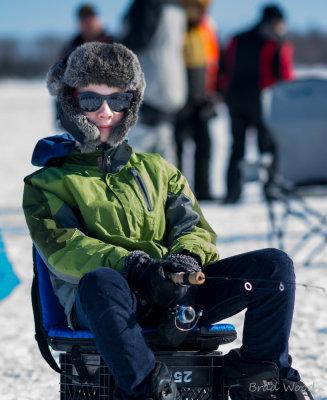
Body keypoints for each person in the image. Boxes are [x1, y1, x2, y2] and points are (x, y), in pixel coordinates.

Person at [23, 42, 313, 400]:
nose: (104, 111)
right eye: (90, 100)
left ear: (131, 104)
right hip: (106, 304)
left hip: (173, 293)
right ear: (70, 100)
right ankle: (149, 390)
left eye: (118, 100)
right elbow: (65, 249)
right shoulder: (45, 184)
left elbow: (194, 229)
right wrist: (135, 267)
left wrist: (185, 263)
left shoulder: (158, 170)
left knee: (273, 267)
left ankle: (260, 378)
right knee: (101, 281)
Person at [219, 4, 294, 204]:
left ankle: (232, 193)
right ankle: (271, 190)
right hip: (262, 101)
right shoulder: (276, 41)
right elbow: (284, 75)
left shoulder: (237, 38)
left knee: (237, 147)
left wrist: (224, 92)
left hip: (235, 99)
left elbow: (224, 67)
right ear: (277, 21)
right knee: (268, 147)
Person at [119, 0, 187, 165]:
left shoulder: (147, 5)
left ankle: (142, 185)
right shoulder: (178, 7)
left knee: (141, 144)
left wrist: (117, 46)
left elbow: (139, 39)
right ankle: (166, 184)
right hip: (173, 82)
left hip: (150, 82)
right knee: (164, 140)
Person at [174, 0, 220, 200]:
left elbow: (212, 63)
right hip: (179, 99)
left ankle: (204, 191)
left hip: (201, 99)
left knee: (205, 146)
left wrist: (212, 93)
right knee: (177, 148)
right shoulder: (177, 28)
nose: (200, 13)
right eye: (197, 9)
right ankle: (176, 192)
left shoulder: (207, 30)